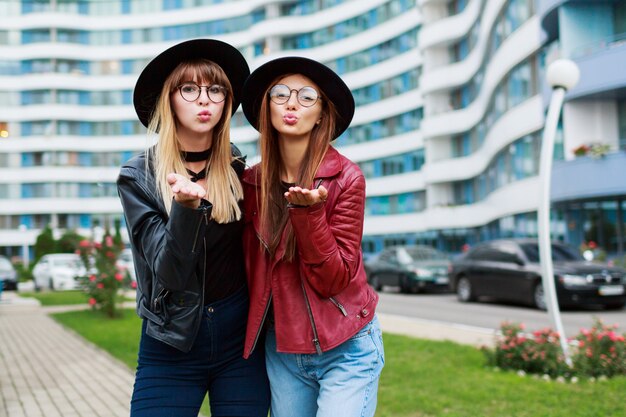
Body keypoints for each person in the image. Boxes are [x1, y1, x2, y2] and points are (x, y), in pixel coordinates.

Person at [117, 39, 269, 417]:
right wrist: (185, 211)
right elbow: (168, 272)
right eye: (190, 89)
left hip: (239, 347)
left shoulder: (237, 170)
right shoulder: (139, 177)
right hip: (171, 344)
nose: (205, 100)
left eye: (215, 90)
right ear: (169, 99)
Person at [240, 57, 385, 417]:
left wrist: (309, 214)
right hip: (284, 350)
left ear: (321, 114)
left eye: (307, 96)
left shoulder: (347, 178)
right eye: (280, 94)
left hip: (346, 345)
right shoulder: (250, 183)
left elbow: (333, 277)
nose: (292, 103)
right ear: (266, 109)